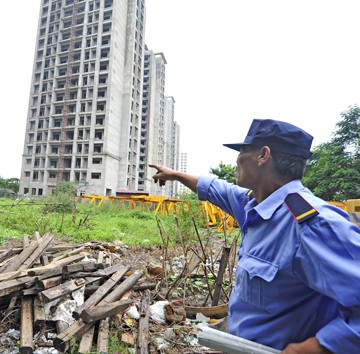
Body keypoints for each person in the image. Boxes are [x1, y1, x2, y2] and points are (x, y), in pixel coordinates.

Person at [150, 119, 360, 354]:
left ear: (263, 155)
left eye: (241, 152)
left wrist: (319, 347)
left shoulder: (312, 225)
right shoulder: (253, 204)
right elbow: (215, 188)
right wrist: (175, 175)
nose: (236, 160)